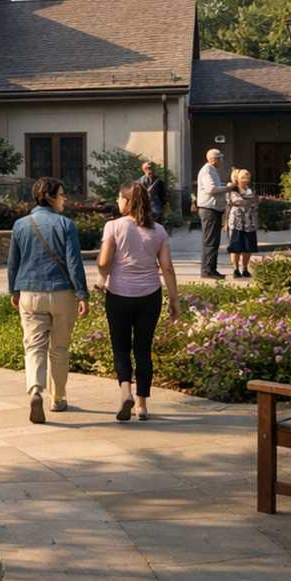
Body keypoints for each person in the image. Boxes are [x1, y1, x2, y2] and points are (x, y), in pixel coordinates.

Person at [7, 177, 89, 423]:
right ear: (51, 197)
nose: (65, 199)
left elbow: (13, 262)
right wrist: (82, 294)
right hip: (62, 293)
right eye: (62, 195)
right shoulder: (66, 224)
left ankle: (35, 390)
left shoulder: (21, 225)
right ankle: (58, 398)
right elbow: (74, 263)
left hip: (30, 293)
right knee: (59, 349)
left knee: (33, 347)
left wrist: (13, 291)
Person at [96, 180, 181, 422]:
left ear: (127, 202)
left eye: (119, 199)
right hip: (149, 296)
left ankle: (126, 393)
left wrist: (102, 278)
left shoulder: (113, 227)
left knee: (121, 347)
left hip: (119, 296)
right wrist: (175, 301)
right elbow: (167, 267)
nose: (116, 202)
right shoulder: (159, 231)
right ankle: (142, 405)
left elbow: (103, 262)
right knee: (143, 349)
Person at [196, 148, 230, 279]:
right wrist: (228, 188)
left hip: (213, 209)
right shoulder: (207, 171)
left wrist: (225, 185)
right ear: (213, 159)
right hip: (209, 209)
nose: (222, 160)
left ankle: (212, 269)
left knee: (214, 241)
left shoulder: (212, 170)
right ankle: (207, 271)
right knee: (210, 241)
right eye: (220, 158)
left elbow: (215, 185)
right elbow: (211, 189)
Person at [226, 167, 261, 279]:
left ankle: (245, 268)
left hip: (249, 223)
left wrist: (249, 201)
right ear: (238, 179)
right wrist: (249, 201)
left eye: (247, 178)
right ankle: (236, 269)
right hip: (237, 222)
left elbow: (256, 202)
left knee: (248, 248)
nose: (246, 180)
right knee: (236, 247)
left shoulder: (250, 190)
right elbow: (236, 201)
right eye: (243, 178)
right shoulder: (233, 190)